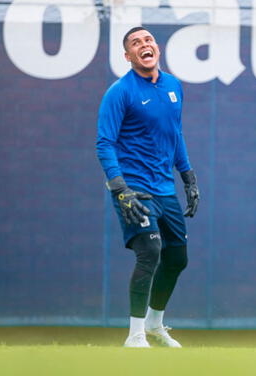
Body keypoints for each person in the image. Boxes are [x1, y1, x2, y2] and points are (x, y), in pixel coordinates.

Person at [96, 27, 200, 348]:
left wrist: (189, 179)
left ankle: (155, 325)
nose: (145, 45)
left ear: (157, 47)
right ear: (128, 56)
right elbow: (104, 143)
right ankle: (135, 335)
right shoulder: (120, 91)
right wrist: (119, 188)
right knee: (150, 252)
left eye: (149, 40)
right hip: (134, 191)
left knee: (177, 258)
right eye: (136, 43)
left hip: (165, 189)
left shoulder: (173, 86)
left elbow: (176, 134)